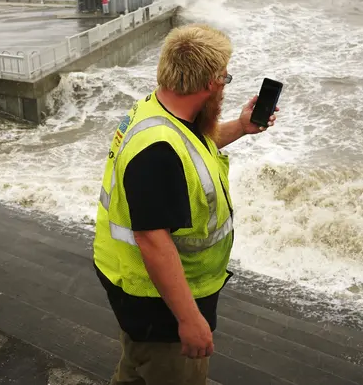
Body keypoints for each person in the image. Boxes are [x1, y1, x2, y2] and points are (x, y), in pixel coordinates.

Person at [93, 24, 279, 385]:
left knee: (135, 366)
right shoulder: (157, 151)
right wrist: (189, 320)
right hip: (159, 304)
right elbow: (152, 240)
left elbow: (192, 151)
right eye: (224, 76)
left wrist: (240, 127)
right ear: (210, 82)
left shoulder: (160, 108)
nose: (225, 84)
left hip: (136, 288)